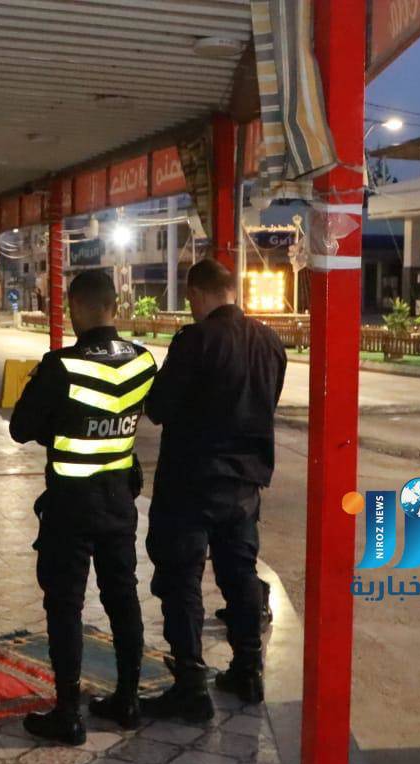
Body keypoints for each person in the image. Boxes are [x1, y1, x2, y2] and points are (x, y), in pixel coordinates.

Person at [9, 270, 157, 745]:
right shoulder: (142, 361)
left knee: (65, 604)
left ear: (75, 307)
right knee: (123, 597)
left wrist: (60, 426)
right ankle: (128, 701)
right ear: (116, 306)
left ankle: (68, 713)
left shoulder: (61, 366)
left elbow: (20, 427)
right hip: (119, 501)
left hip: (70, 505)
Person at [140, 258, 286, 720]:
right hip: (245, 485)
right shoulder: (269, 341)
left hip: (191, 482)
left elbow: (159, 407)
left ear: (198, 295)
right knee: (239, 576)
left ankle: (190, 685)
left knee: (181, 579)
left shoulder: (195, 340)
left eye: (190, 299)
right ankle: (248, 669)